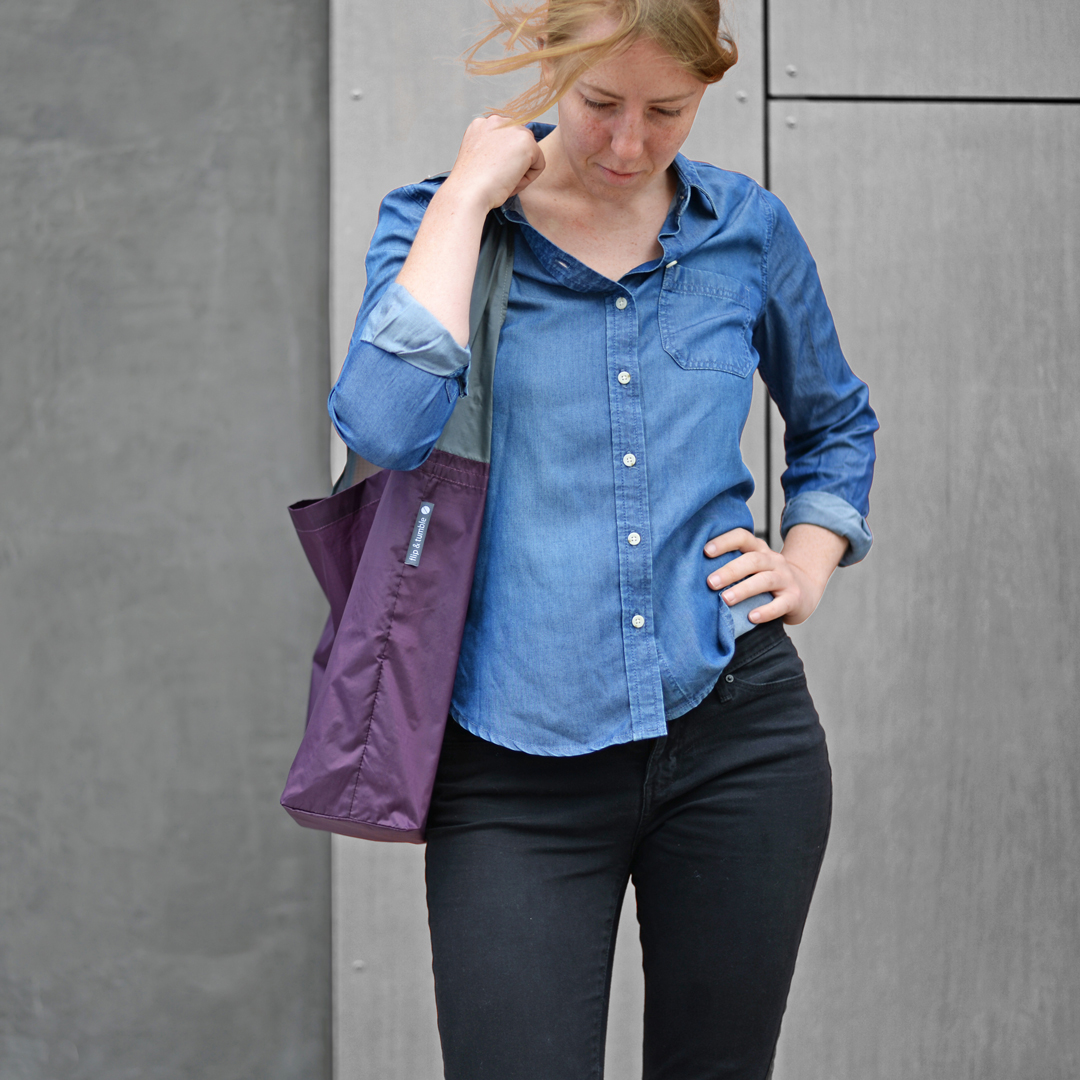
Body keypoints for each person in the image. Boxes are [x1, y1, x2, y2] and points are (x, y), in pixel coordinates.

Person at [329, 1, 878, 1076]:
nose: (630, 143)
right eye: (599, 103)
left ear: (707, 87)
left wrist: (807, 564)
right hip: (511, 761)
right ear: (549, 69)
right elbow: (384, 425)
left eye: (667, 110)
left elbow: (836, 421)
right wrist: (467, 197)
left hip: (737, 736)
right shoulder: (441, 222)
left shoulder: (745, 228)